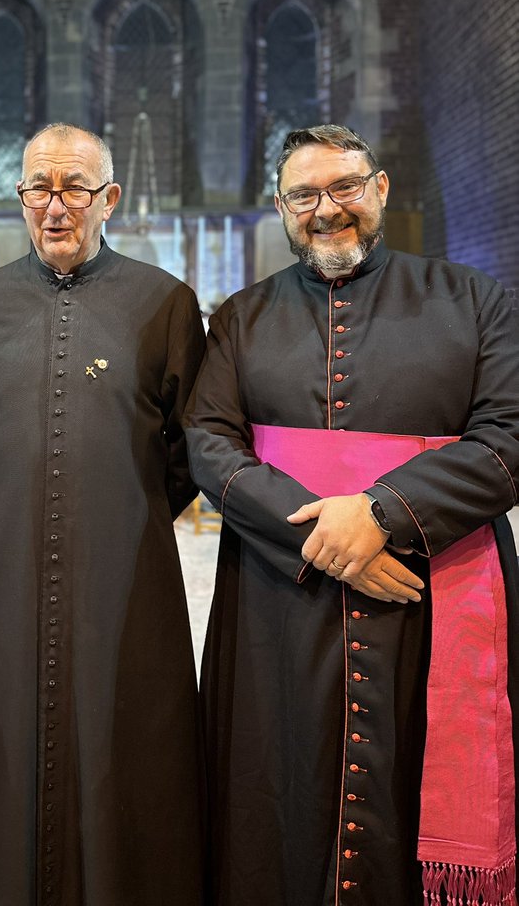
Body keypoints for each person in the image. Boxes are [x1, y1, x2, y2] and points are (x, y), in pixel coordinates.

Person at [185, 124, 519, 906]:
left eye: (344, 188)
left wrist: (381, 513)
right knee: (280, 785)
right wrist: (332, 538)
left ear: (380, 190)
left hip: (433, 587)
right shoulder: (240, 317)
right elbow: (207, 444)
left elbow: (508, 438)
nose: (327, 209)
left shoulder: (473, 300)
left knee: (413, 775)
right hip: (282, 587)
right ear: (280, 206)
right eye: (304, 195)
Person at [0, 123, 208, 906]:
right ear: (20, 199)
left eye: (73, 188)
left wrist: (127, 506)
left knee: (129, 730)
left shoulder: (166, 302)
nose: (54, 207)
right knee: (0, 733)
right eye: (37, 189)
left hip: (127, 561)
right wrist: (18, 502)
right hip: (3, 567)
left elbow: (193, 439)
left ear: (108, 198)